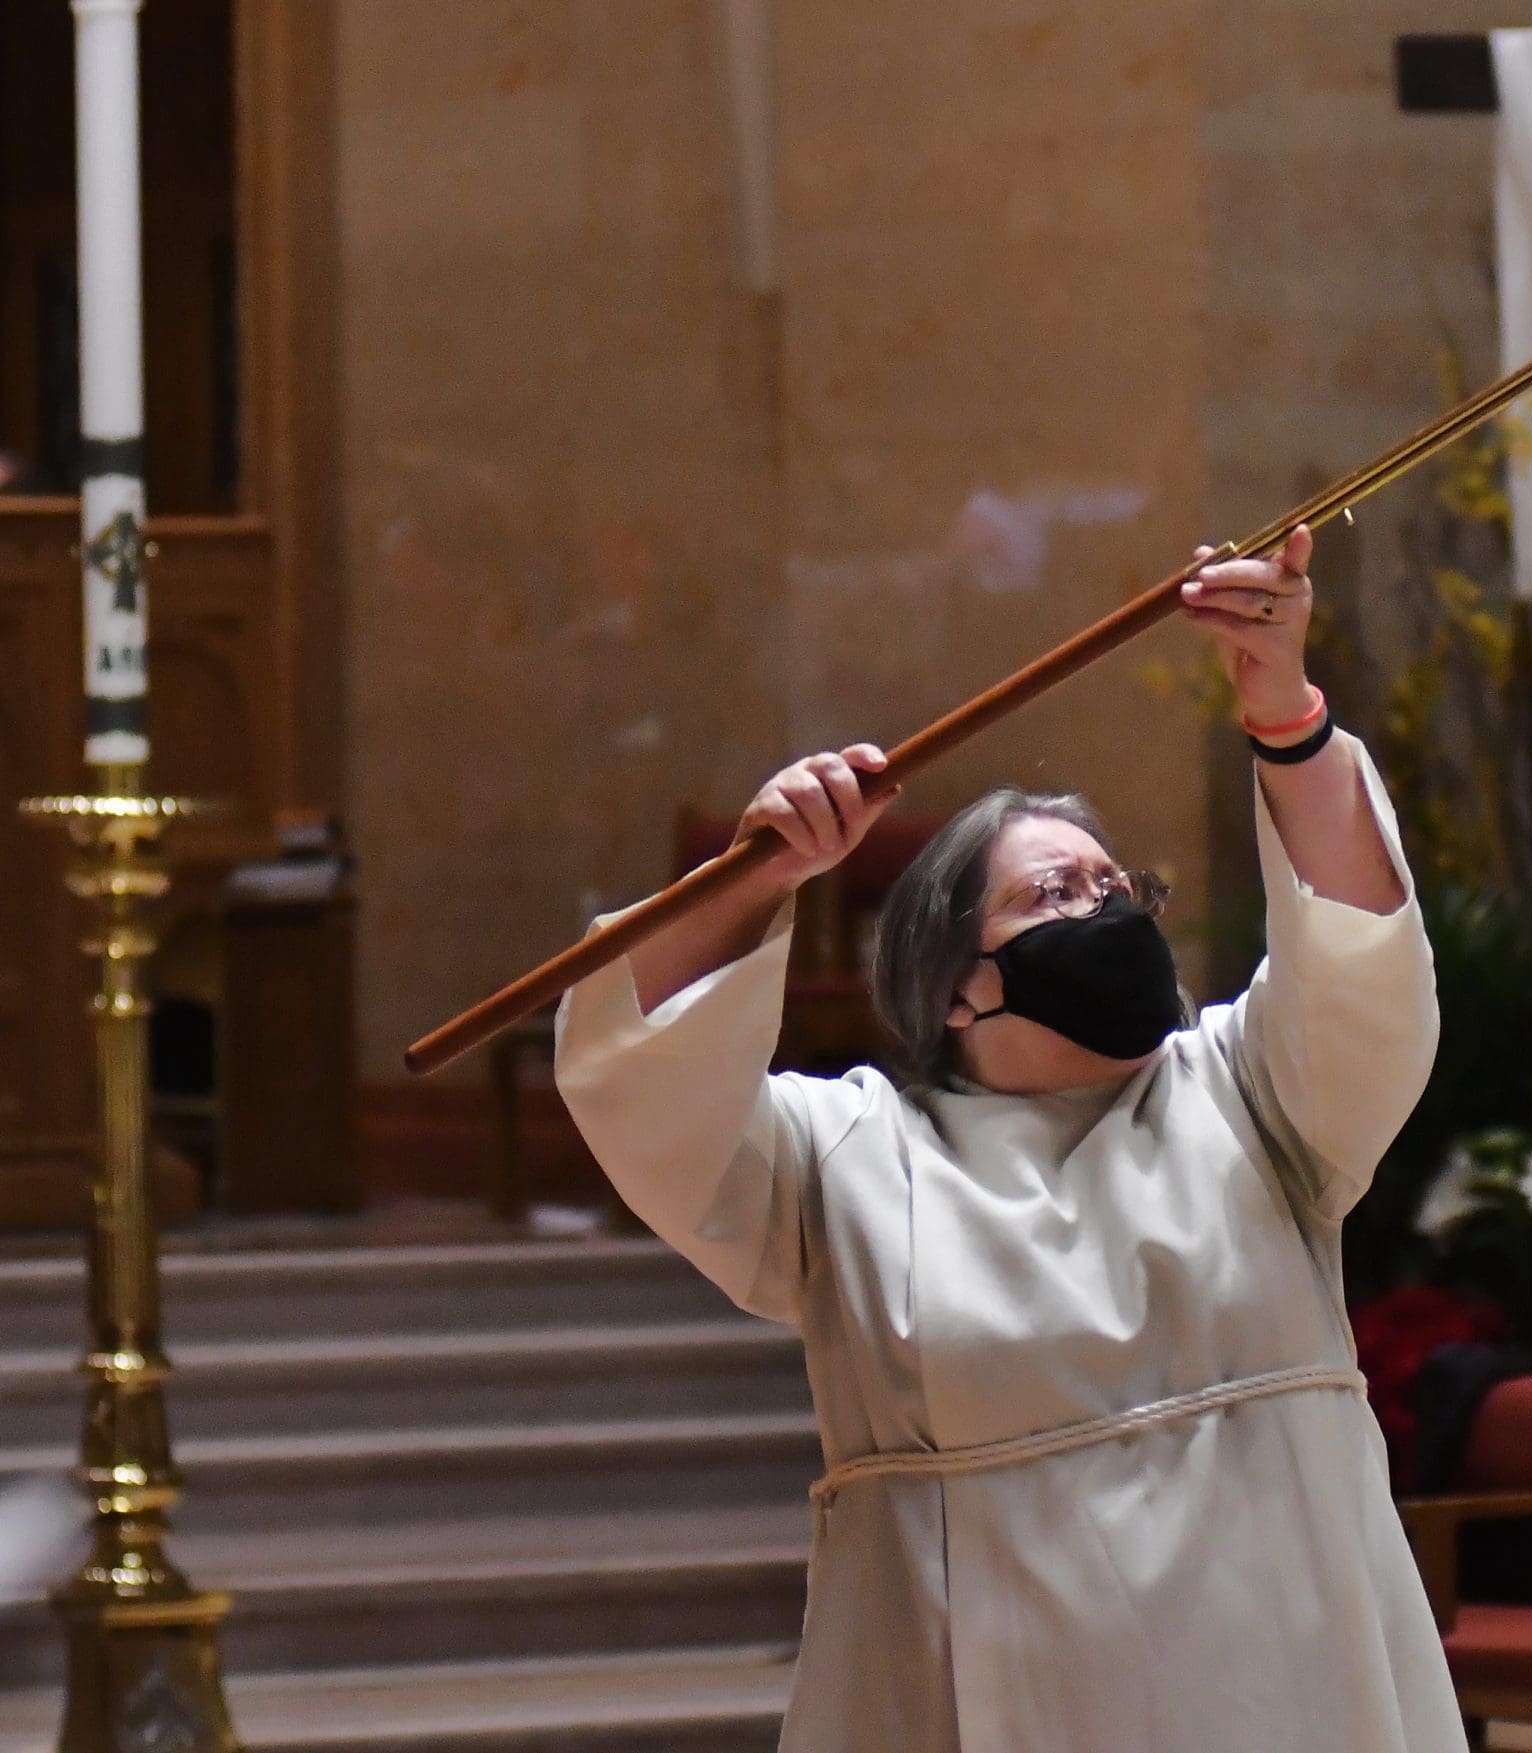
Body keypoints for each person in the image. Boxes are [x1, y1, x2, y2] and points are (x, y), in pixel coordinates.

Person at [554, 526, 1464, 1753]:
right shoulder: (847, 1162)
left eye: (1114, 888)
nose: (1102, 910)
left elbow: (1363, 967)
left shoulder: (1250, 1095)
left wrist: (1285, 714)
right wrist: (752, 876)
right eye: (1050, 896)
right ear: (952, 988)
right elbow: (647, 1089)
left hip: (1282, 1687)